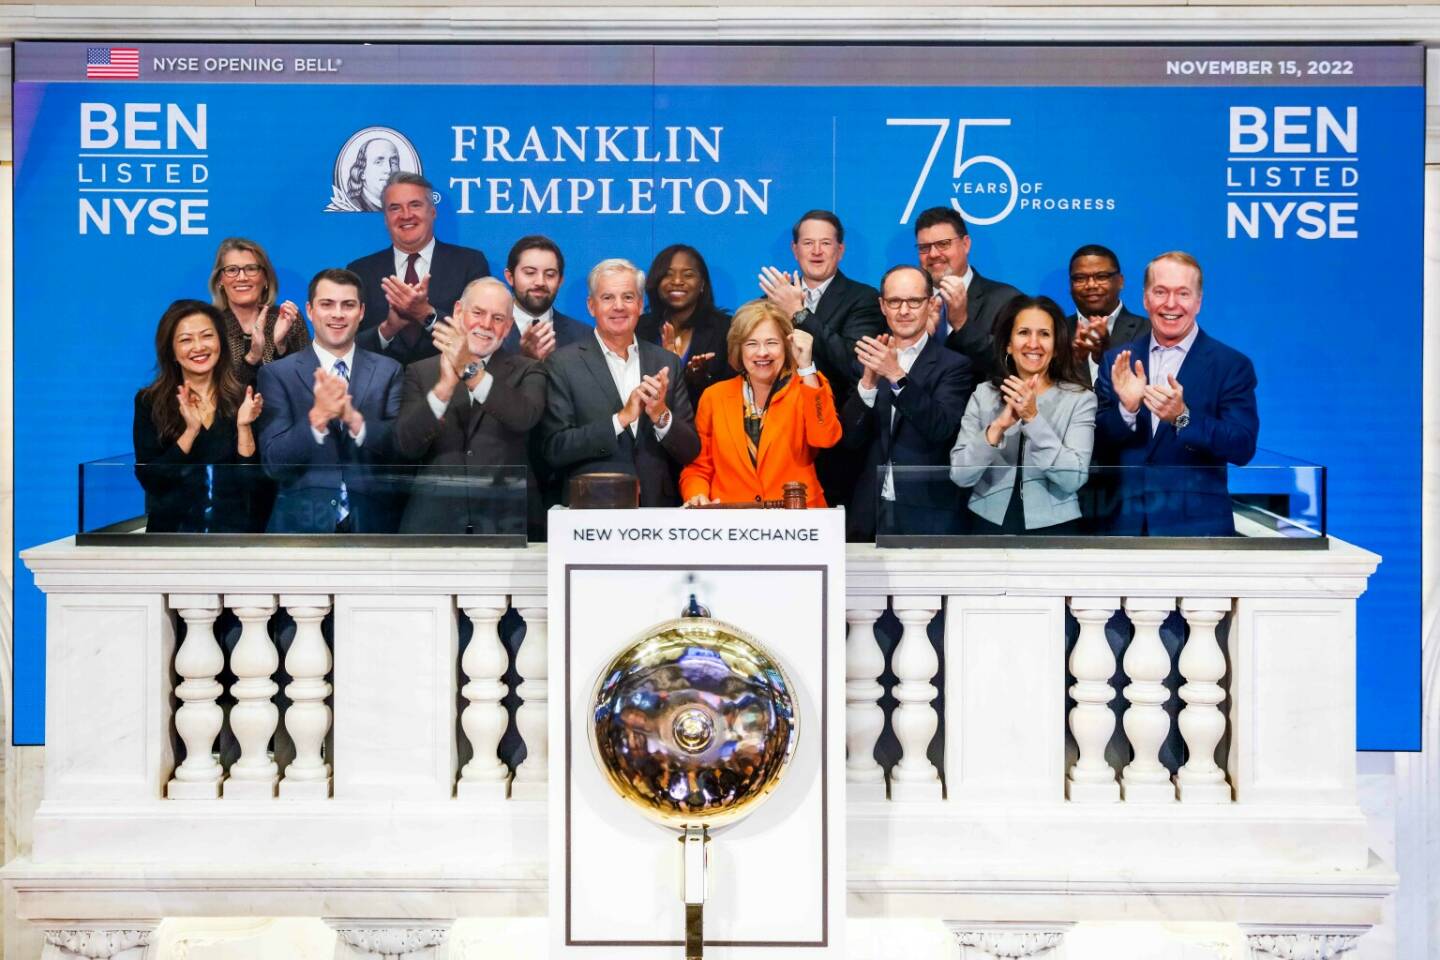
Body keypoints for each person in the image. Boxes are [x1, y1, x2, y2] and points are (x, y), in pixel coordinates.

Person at [1094, 251, 1259, 536]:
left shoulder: (1230, 365)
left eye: (1183, 293)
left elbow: (1242, 447)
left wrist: (1183, 417)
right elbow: (1096, 443)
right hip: (1124, 528)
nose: (1171, 304)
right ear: (1146, 299)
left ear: (1198, 302)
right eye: (1160, 292)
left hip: (1198, 530)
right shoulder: (1116, 361)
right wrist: (1127, 410)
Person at [394, 278, 547, 536]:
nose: (486, 325)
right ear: (458, 311)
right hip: (434, 523)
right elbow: (406, 445)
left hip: (507, 522)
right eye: (478, 313)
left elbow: (524, 416)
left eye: (498, 318)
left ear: (509, 327)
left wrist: (469, 369)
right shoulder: (420, 371)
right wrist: (443, 388)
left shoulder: (528, 369)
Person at [540, 259, 699, 506]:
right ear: (591, 306)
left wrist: (661, 415)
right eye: (607, 298)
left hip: (657, 510)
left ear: (639, 304)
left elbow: (690, 450)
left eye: (627, 297)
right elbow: (554, 449)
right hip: (591, 509)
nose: (618, 307)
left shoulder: (666, 362)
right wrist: (620, 420)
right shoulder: (562, 364)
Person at [257, 268, 404, 533]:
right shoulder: (277, 374)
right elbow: (273, 464)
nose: (338, 314)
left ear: (361, 312)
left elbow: (401, 451)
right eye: (327, 304)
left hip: (373, 528)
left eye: (347, 305)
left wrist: (356, 422)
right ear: (310, 311)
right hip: (300, 529)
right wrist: (316, 419)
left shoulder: (389, 370)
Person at [758, 209, 884, 506]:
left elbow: (853, 364)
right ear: (795, 249)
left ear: (840, 250)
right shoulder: (771, 302)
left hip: (835, 444)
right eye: (808, 243)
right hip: (778, 446)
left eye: (825, 243)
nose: (816, 251)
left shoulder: (863, 298)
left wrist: (800, 315)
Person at [843, 265, 975, 540]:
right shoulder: (866, 361)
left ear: (930, 303)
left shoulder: (954, 365)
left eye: (914, 301)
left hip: (929, 513)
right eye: (894, 302)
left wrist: (896, 376)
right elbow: (848, 441)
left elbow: (941, 428)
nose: (904, 311)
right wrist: (867, 385)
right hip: (868, 513)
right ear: (882, 306)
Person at [949, 296, 1096, 534]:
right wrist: (996, 429)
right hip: (986, 523)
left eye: (1044, 334)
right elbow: (960, 475)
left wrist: (1033, 418)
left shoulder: (1080, 399)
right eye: (1024, 332)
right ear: (1008, 343)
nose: (1033, 343)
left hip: (1055, 527)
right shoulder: (984, 394)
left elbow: (1072, 480)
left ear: (1057, 347)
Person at [681, 300, 840, 508]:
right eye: (751, 343)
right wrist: (697, 494)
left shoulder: (807, 387)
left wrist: (806, 367)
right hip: (733, 522)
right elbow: (699, 467)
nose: (762, 352)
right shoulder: (714, 397)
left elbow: (825, 438)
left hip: (797, 521)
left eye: (772, 343)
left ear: (787, 344)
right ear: (738, 348)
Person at [133, 300, 265, 533]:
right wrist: (190, 432)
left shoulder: (245, 394)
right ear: (171, 351)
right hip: (172, 538)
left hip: (235, 537)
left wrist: (244, 427)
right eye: (186, 340)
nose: (198, 347)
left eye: (206, 336)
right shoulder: (149, 402)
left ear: (220, 343)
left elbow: (254, 486)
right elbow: (151, 480)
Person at [349, 172, 490, 366]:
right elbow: (347, 346)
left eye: (415, 205)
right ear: (385, 218)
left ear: (432, 212)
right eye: (395, 208)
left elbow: (482, 333)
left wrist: (426, 314)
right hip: (379, 391)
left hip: (450, 387)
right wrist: (387, 329)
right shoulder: (359, 271)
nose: (406, 215)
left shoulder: (470, 263)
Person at [913, 205, 1022, 375]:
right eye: (924, 247)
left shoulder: (1006, 300)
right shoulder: (906, 304)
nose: (933, 254)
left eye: (943, 244)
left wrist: (962, 323)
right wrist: (919, 339)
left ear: (965, 244)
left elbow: (1015, 364)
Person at [208, 237, 309, 387]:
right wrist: (252, 358)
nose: (242, 277)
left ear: (266, 278)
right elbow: (212, 389)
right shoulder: (211, 326)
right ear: (220, 281)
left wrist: (281, 347)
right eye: (231, 270)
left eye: (251, 269)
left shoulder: (288, 319)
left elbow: (306, 384)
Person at [637, 244, 735, 398]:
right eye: (667, 274)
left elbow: (734, 390)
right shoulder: (639, 328)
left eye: (688, 275)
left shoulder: (726, 329)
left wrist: (699, 379)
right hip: (650, 420)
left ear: (702, 284)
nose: (677, 281)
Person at [1067, 243, 1150, 387]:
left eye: (1101, 277)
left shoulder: (1149, 331)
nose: (1091, 285)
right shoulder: (1056, 330)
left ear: (1120, 281)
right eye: (1080, 278)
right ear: (1070, 284)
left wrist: (1106, 356)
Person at [500, 235, 590, 360]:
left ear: (560, 281)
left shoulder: (584, 336)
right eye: (530, 273)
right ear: (510, 277)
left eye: (550, 274)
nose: (540, 282)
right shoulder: (489, 330)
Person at [347, 136, 400, 212]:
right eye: (378, 162)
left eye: (394, 162)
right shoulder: (353, 205)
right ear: (362, 173)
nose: (388, 170)